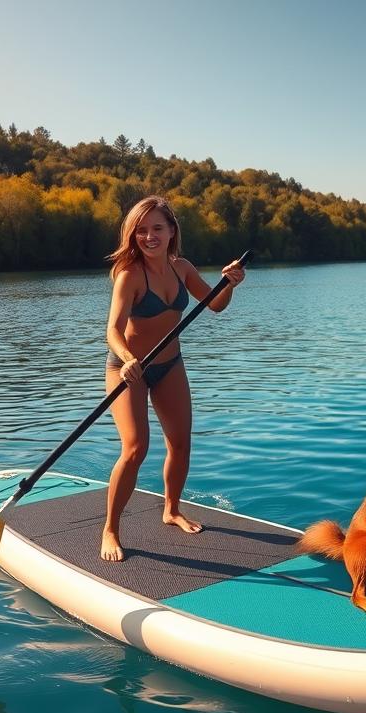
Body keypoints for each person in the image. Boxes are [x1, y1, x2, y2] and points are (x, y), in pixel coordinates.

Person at [102, 196, 246, 561]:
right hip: (128, 369)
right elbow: (113, 331)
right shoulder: (129, 275)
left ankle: (172, 509)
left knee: (180, 443)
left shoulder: (181, 267)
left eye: (157, 229)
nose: (149, 236)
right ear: (133, 235)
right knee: (135, 448)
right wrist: (128, 358)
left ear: (171, 231)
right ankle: (110, 529)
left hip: (170, 365)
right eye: (142, 230)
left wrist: (227, 283)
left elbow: (214, 304)